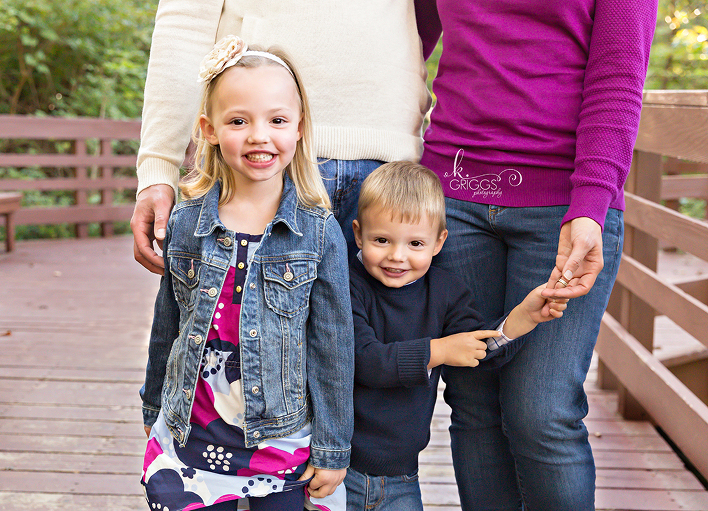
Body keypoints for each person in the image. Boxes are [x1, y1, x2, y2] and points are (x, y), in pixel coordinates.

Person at [414, 1, 659, 509]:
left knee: (541, 413)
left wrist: (591, 204)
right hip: (452, 194)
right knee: (473, 400)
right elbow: (405, 40)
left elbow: (619, 74)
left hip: (566, 207)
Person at [139, 37, 353, 511]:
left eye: (277, 121)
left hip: (281, 439)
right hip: (190, 432)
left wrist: (334, 449)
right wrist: (154, 406)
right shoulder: (187, 222)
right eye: (239, 121)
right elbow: (168, 324)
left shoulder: (318, 232)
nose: (259, 135)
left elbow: (333, 346)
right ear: (209, 130)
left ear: (299, 129)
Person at [131, 0, 431, 273]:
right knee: (231, 325)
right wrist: (158, 166)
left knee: (387, 330)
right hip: (256, 158)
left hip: (390, 154)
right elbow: (185, 20)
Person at [346, 161, 567, 511]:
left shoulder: (446, 291)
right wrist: (438, 351)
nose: (397, 256)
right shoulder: (348, 285)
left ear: (439, 242)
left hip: (403, 476)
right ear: (358, 234)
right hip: (338, 469)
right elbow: (363, 360)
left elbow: (473, 351)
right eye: (381, 240)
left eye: (415, 243)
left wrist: (521, 319)